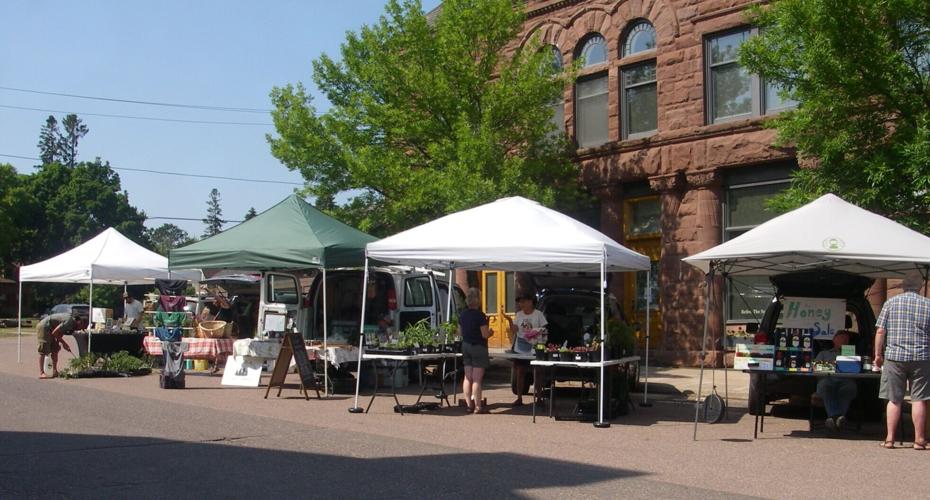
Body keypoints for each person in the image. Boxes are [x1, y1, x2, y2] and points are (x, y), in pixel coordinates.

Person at [875, 271, 930, 450]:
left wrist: (878, 354)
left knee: (894, 399)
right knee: (919, 399)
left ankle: (890, 439)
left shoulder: (890, 303)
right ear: (920, 287)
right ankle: (919, 440)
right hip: (921, 356)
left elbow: (881, 331)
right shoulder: (928, 305)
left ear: (903, 286)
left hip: (895, 356)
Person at [504, 294, 547, 406]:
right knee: (520, 372)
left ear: (531, 302)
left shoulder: (538, 314)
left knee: (537, 372)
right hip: (520, 347)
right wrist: (509, 321)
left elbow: (544, 329)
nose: (521, 304)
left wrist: (536, 334)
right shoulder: (518, 315)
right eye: (520, 302)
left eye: (523, 301)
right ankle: (519, 398)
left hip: (535, 347)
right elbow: (515, 330)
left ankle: (539, 397)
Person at [814, 330, 857, 430]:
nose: (844, 341)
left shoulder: (852, 353)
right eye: (842, 338)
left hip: (846, 381)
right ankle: (838, 418)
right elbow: (816, 367)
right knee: (825, 386)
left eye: (847, 339)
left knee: (849, 388)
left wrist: (848, 360)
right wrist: (836, 366)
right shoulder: (824, 353)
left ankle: (833, 419)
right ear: (834, 340)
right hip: (828, 380)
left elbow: (856, 369)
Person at [459, 287, 492, 414]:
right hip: (478, 346)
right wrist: (491, 332)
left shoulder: (463, 314)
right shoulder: (480, 315)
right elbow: (484, 335)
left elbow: (459, 332)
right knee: (477, 379)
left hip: (466, 345)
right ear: (478, 300)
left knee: (468, 377)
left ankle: (469, 405)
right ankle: (478, 406)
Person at [36, 312, 76, 378]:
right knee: (43, 350)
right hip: (44, 327)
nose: (82, 327)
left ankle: (55, 371)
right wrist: (64, 344)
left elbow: (59, 332)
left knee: (55, 349)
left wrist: (57, 343)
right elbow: (55, 332)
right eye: (82, 324)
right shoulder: (69, 321)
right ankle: (42, 373)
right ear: (78, 321)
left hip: (51, 328)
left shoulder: (71, 324)